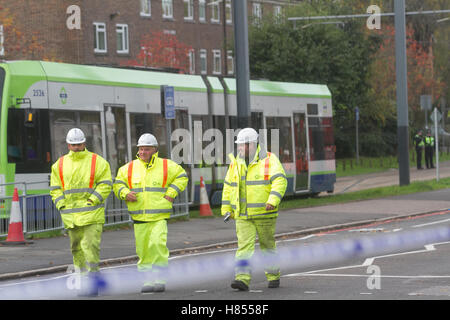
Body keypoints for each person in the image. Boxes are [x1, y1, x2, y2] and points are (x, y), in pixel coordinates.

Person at [113, 133, 188, 293]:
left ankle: (160, 279)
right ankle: (147, 280)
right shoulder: (129, 168)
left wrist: (172, 191)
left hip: (159, 216)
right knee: (143, 251)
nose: (142, 152)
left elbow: (182, 176)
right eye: (140, 149)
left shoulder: (167, 165)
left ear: (155, 150)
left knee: (157, 244)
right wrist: (125, 193)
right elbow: (118, 183)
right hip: (139, 217)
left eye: (146, 149)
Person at [221, 128, 287, 291]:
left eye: (243, 146)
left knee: (267, 245)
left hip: (265, 213)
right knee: (244, 247)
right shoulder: (235, 162)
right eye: (239, 146)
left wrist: (273, 200)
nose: (240, 149)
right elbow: (228, 186)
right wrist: (226, 208)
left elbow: (280, 181)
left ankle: (273, 275)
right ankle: (242, 279)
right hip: (242, 214)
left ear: (252, 144)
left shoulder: (270, 160)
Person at [50, 128, 112, 296]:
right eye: (73, 145)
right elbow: (55, 188)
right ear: (68, 145)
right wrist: (61, 204)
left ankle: (92, 282)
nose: (76, 147)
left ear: (84, 143)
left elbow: (106, 184)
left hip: (92, 215)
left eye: (79, 144)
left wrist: (93, 200)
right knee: (77, 250)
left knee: (89, 248)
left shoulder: (97, 161)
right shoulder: (60, 164)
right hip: (71, 217)